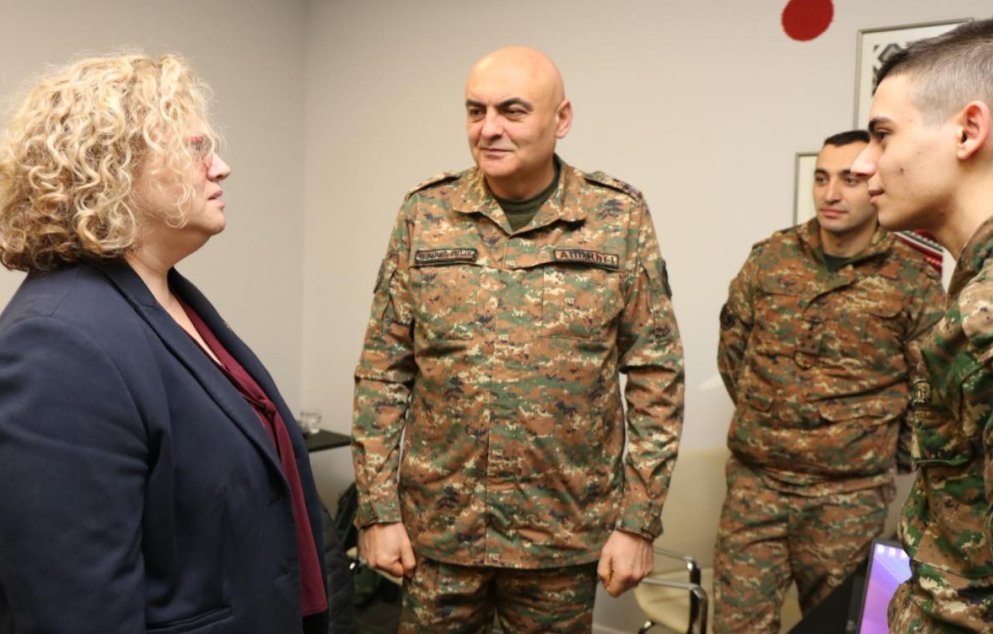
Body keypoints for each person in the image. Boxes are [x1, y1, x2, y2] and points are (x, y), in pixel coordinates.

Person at [0, 53, 345, 633]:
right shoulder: (56, 343)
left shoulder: (167, 298)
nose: (222, 168)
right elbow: (76, 610)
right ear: (114, 167)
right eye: (197, 148)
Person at [351, 46, 684, 632]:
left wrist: (637, 522)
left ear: (562, 119)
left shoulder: (617, 217)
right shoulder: (426, 212)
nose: (489, 128)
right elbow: (383, 372)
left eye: (512, 110)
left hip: (559, 536)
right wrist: (378, 512)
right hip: (440, 533)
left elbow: (657, 376)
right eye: (475, 111)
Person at [714, 130, 945, 633]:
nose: (831, 193)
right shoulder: (771, 258)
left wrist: (878, 454)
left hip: (849, 498)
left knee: (839, 624)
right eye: (821, 179)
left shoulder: (911, 279)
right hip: (758, 487)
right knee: (736, 624)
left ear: (876, 185)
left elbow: (929, 390)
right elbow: (733, 353)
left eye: (849, 180)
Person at [850, 19, 993, 631]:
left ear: (967, 131)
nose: (864, 164)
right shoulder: (975, 292)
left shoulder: (990, 318)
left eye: (882, 135)